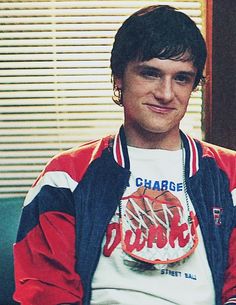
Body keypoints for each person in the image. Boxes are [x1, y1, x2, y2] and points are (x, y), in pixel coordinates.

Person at [13, 5, 236, 305]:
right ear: (119, 77)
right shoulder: (64, 176)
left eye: (182, 78)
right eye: (150, 73)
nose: (166, 94)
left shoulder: (231, 176)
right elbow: (45, 290)